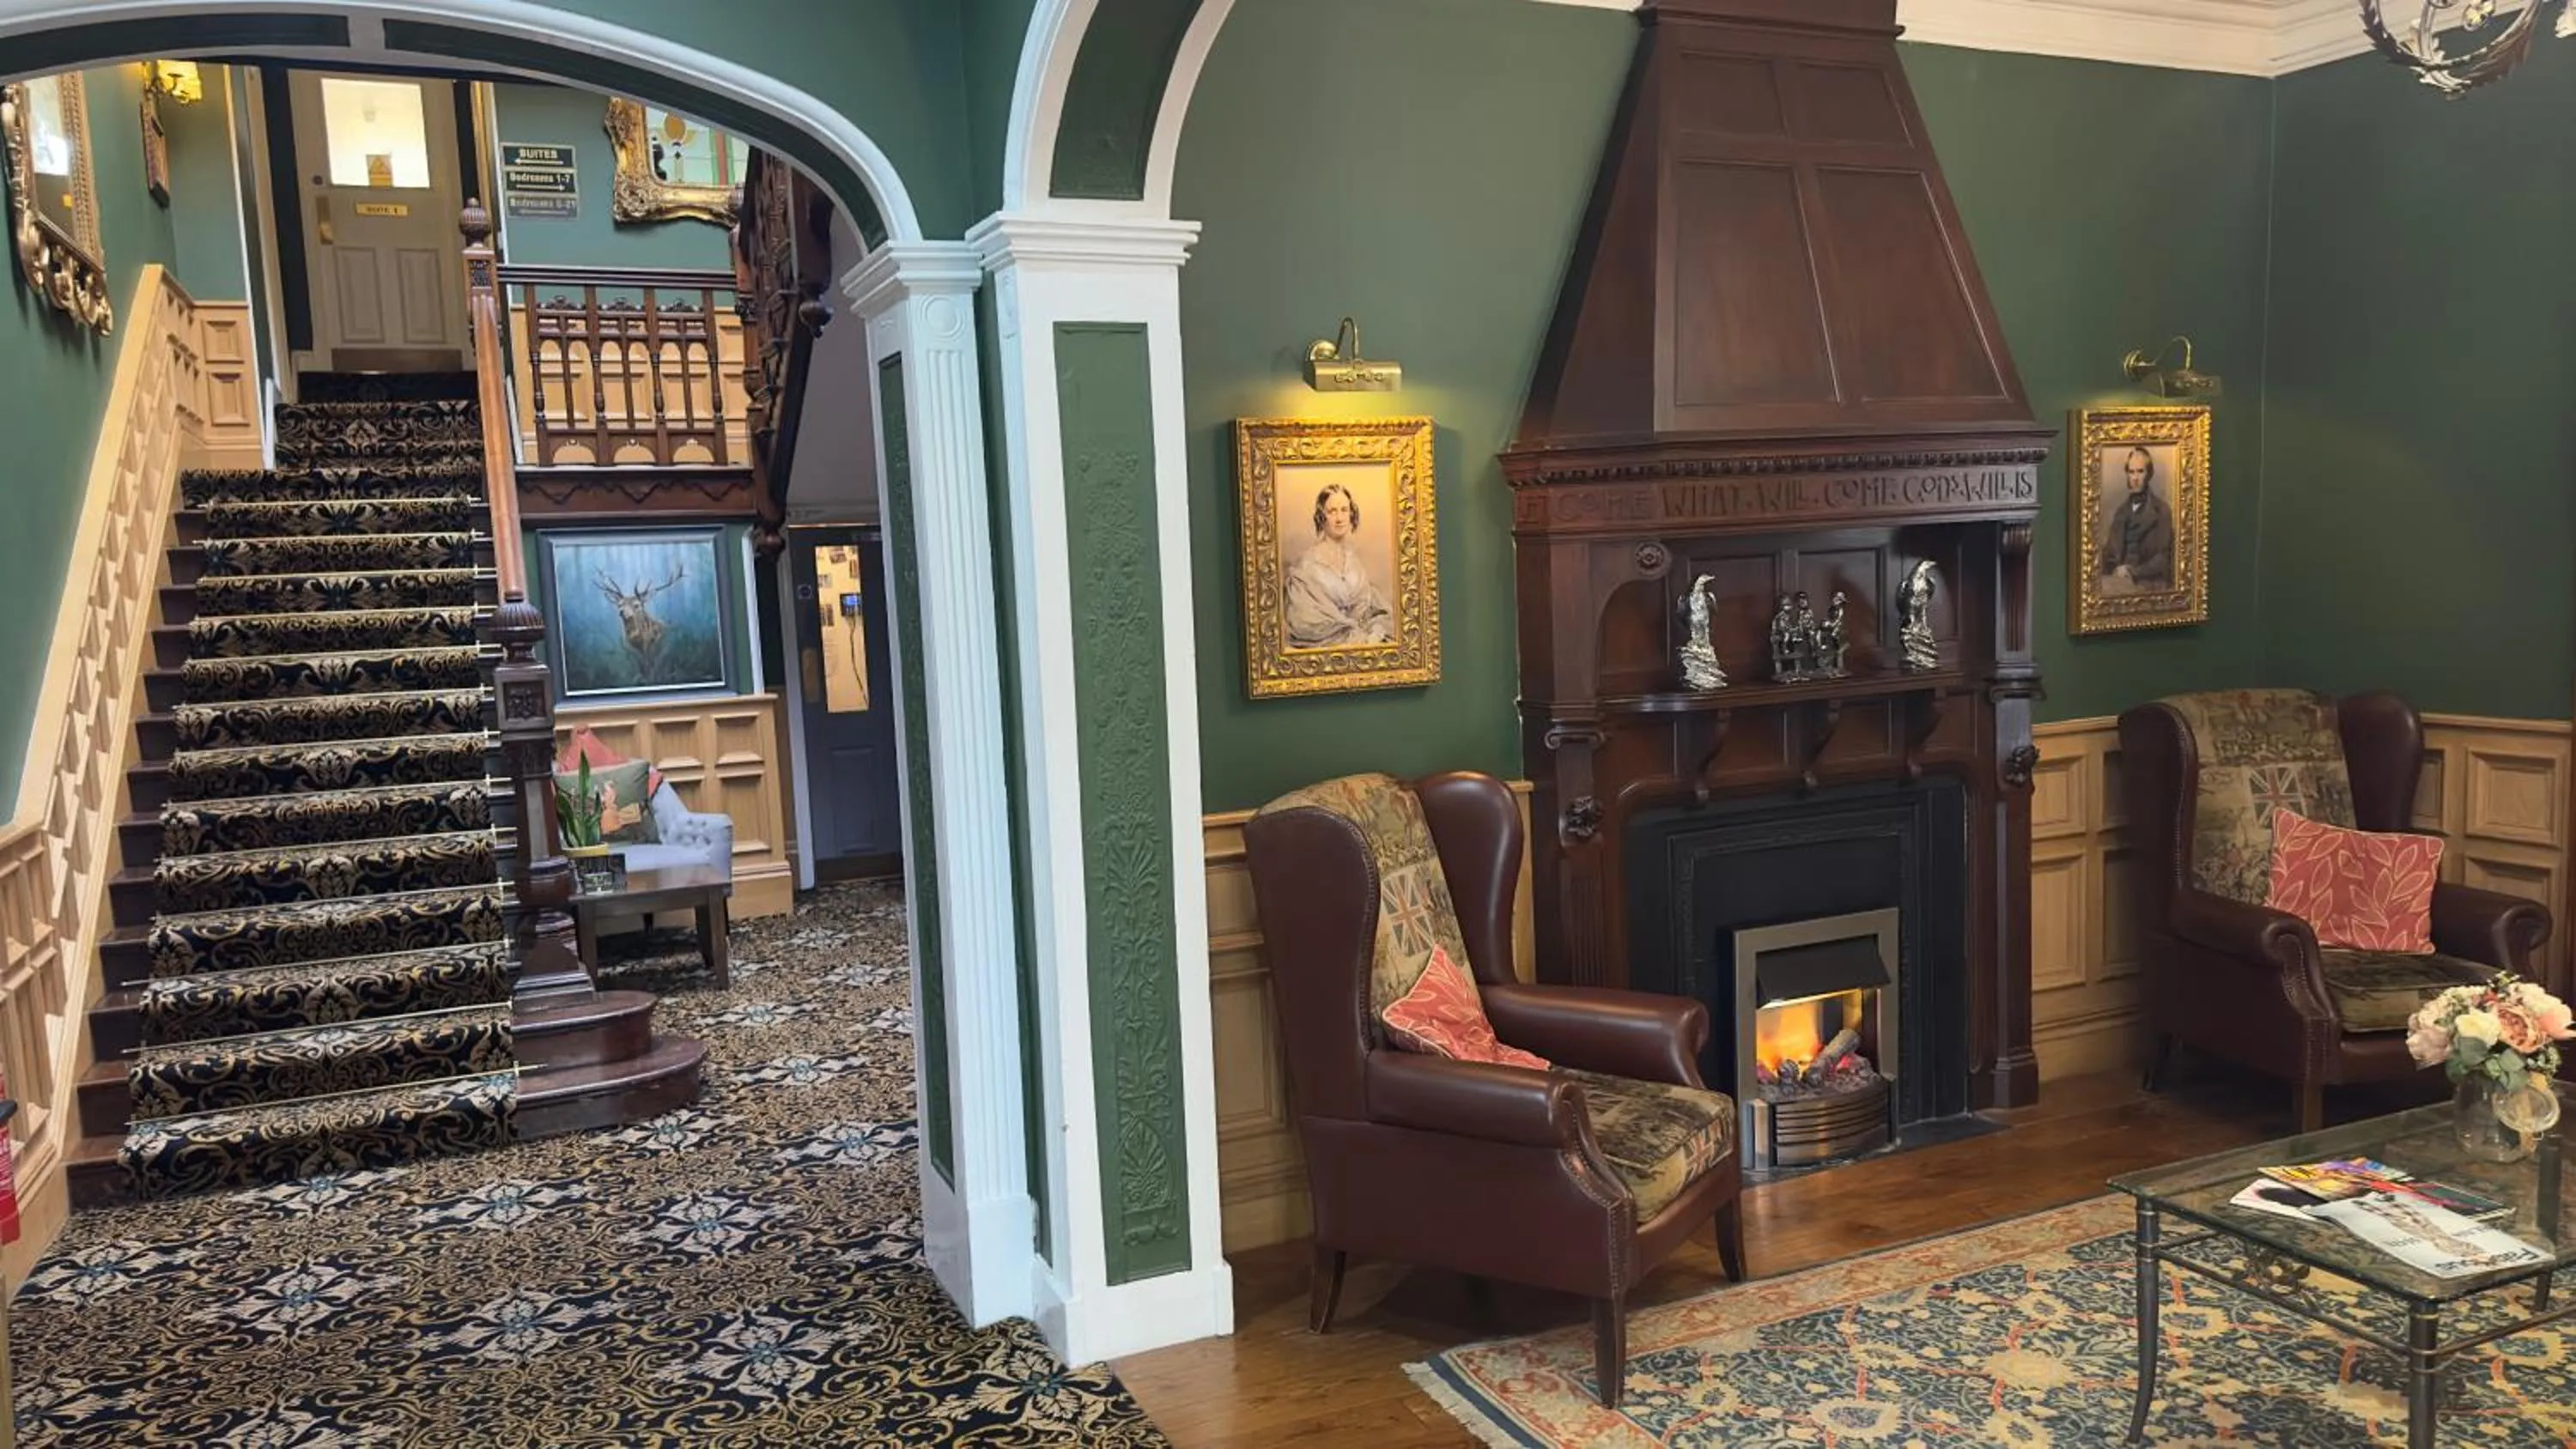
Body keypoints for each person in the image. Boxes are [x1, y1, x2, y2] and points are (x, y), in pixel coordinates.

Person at [1284, 483, 1393, 647]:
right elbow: (1305, 621)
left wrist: (1374, 631)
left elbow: (1373, 607)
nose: (1340, 518)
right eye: (1332, 511)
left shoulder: (1354, 562)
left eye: (1344, 510)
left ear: (1351, 514)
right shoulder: (1307, 565)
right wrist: (1357, 637)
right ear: (1322, 517)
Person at [2096, 446, 2173, 593]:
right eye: (2131, 472)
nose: (2135, 478)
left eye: (2140, 472)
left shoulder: (2162, 511)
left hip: (2149, 584)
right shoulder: (2121, 512)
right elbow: (2110, 553)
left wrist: (2132, 571)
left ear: (2149, 474)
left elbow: (2163, 559)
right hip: (2121, 582)